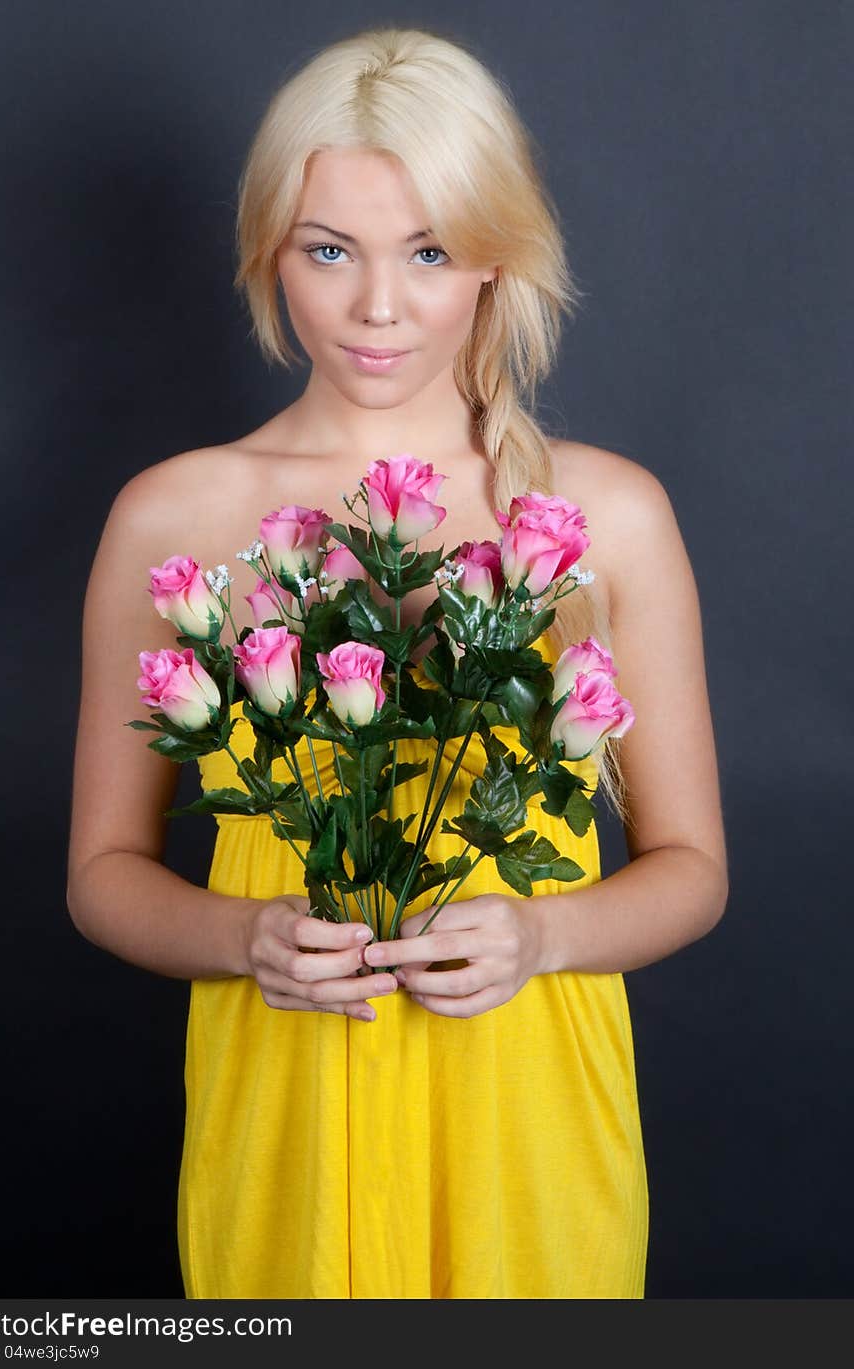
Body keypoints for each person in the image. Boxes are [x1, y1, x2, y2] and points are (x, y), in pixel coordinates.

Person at [66, 26, 728, 1299]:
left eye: (426, 251)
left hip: (527, 1115)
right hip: (287, 1110)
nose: (377, 307)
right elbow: (103, 876)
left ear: (493, 256)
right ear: (272, 252)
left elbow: (691, 872)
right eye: (330, 250)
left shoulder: (606, 514)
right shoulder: (173, 519)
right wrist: (245, 933)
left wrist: (540, 938)